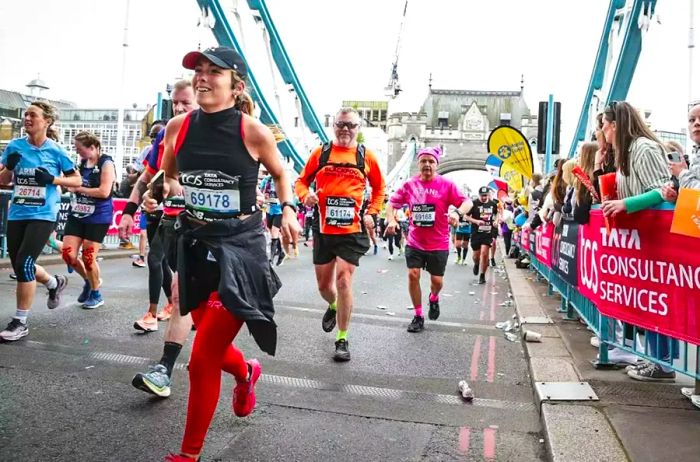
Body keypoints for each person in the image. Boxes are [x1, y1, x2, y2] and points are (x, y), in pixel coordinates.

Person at [155, 47, 300, 462]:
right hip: (196, 246)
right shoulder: (177, 127)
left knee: (201, 359)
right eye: (198, 71)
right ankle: (246, 372)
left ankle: (189, 454)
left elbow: (278, 172)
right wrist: (167, 192)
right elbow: (171, 174)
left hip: (240, 250)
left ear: (236, 86)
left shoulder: (254, 132)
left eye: (212, 72)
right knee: (209, 339)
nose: (202, 78)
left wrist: (287, 209)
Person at [294, 107, 385, 361]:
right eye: (341, 124)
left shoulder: (366, 157)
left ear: (358, 128)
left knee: (344, 280)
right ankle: (332, 305)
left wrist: (372, 211)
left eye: (351, 125)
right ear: (333, 126)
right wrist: (306, 196)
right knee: (324, 286)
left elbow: (379, 189)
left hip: (352, 230)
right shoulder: (321, 153)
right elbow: (301, 181)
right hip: (324, 228)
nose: (345, 129)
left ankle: (342, 338)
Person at [600, 101, 674, 376]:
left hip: (657, 236)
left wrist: (625, 204)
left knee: (659, 300)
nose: (604, 132)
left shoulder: (643, 148)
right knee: (648, 301)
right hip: (643, 238)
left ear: (616, 125)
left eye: (605, 126)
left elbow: (662, 190)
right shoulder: (626, 152)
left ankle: (662, 362)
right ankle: (653, 357)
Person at [0, 101, 81, 341]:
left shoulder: (55, 150)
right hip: (18, 213)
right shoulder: (14, 146)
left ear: (46, 121)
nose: (27, 119)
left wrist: (53, 179)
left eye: (32, 115)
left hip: (43, 214)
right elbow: (3, 180)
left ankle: (20, 322)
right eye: (25, 115)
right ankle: (54, 282)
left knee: (25, 263)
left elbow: (76, 181)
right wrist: (9, 168)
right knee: (19, 265)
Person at [119, 83, 195, 332]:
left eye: (186, 102)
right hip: (162, 213)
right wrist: (130, 211)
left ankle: (170, 310)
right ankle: (164, 310)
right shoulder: (166, 134)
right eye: (175, 102)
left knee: (170, 266)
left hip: (196, 220)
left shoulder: (211, 134)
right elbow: (148, 176)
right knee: (158, 261)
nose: (179, 107)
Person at [385, 146, 472, 332]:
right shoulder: (409, 185)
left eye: (431, 161)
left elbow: (467, 202)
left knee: (437, 282)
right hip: (415, 241)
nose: (427, 165)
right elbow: (391, 204)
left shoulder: (447, 185)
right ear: (418, 163)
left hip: (438, 243)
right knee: (413, 274)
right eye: (423, 161)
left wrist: (457, 212)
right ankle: (418, 315)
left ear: (436, 165)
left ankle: (433, 298)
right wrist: (391, 219)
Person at [61, 131, 115, 308]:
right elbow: (72, 184)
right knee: (68, 255)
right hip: (77, 213)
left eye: (79, 149)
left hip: (98, 216)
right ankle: (89, 281)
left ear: (92, 147)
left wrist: (78, 189)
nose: (77, 152)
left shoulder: (106, 163)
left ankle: (95, 292)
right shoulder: (82, 163)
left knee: (89, 258)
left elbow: (104, 192)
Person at [467, 186, 499, 284]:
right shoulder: (474, 203)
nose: (484, 197)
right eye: (482, 196)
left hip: (487, 232)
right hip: (476, 233)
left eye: (485, 195)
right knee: (476, 256)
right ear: (479, 195)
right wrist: (476, 221)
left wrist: (496, 221)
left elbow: (497, 214)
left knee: (485, 254)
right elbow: (465, 216)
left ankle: (482, 275)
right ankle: (476, 264)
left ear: (488, 195)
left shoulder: (493, 204)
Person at [260, 172, 287, 266]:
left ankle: (270, 259)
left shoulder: (282, 179)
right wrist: (263, 197)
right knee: (272, 232)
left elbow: (287, 195)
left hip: (279, 211)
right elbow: (261, 192)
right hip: (269, 209)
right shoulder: (266, 180)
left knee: (275, 232)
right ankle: (282, 253)